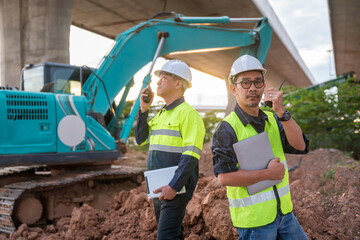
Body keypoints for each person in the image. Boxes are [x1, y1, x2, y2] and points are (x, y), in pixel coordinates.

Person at [212, 55, 309, 240]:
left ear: (264, 87)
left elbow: (300, 145)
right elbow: (224, 178)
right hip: (255, 222)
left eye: (257, 82)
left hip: (285, 214)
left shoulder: (273, 118)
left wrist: (281, 112)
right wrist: (268, 174)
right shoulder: (227, 128)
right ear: (234, 89)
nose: (252, 88)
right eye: (246, 83)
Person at [135, 60, 205, 240]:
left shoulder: (189, 114)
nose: (158, 82)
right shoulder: (162, 114)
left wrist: (174, 186)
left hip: (175, 187)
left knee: (165, 236)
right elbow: (140, 139)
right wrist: (143, 110)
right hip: (159, 186)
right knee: (172, 234)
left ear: (178, 83)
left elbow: (191, 156)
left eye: (163, 78)